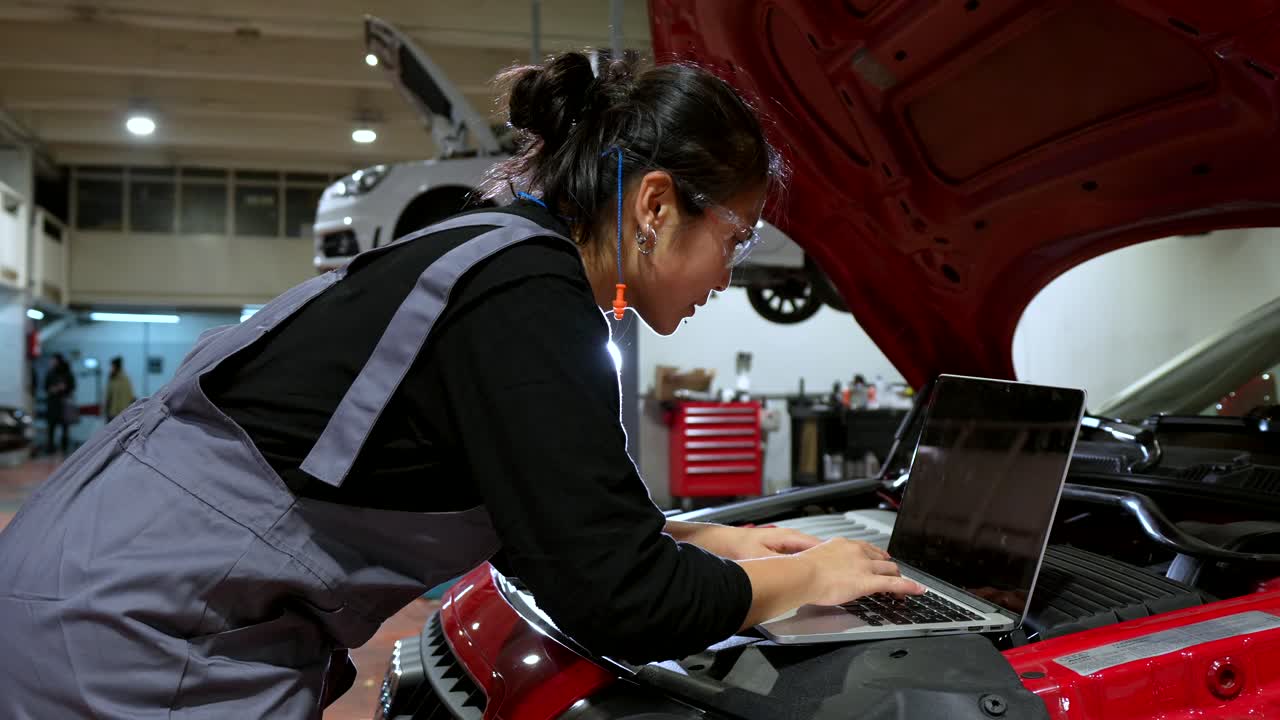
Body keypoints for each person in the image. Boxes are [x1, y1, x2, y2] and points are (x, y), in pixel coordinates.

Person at [0, 52, 923, 718]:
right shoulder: (529, 293)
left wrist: (704, 537)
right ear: (653, 205)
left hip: (103, 586)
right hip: (138, 639)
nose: (731, 271)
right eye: (739, 236)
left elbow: (538, 516)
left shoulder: (489, 256)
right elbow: (620, 599)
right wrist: (809, 575)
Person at [42, 352, 75, 455]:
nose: (51, 362)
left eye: (53, 360)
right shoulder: (50, 373)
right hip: (53, 403)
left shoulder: (67, 373)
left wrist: (64, 388)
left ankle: (64, 448)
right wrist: (52, 389)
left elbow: (72, 386)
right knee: (51, 427)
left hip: (64, 404)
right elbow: (45, 386)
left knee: (65, 428)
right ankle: (50, 448)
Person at [103, 356, 136, 423]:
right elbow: (108, 397)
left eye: (112, 366)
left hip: (121, 413)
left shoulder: (124, 379)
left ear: (117, 367)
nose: (111, 368)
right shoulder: (113, 379)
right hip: (113, 413)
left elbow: (131, 396)